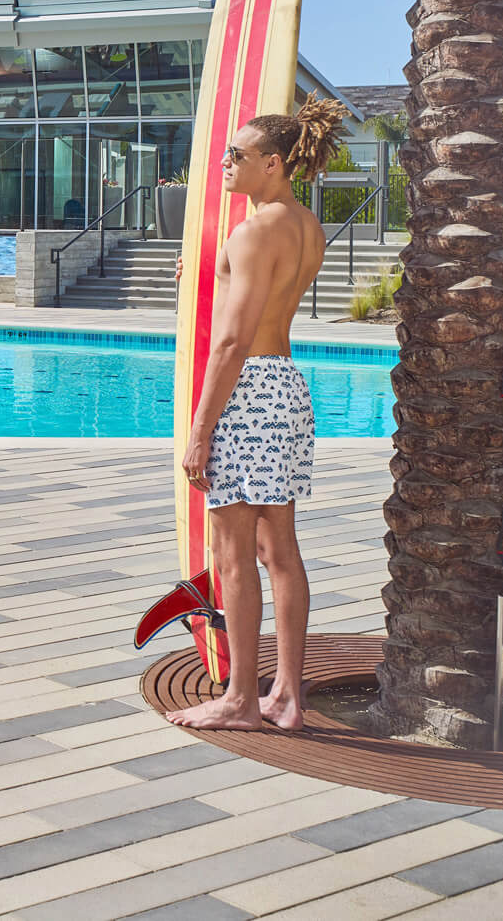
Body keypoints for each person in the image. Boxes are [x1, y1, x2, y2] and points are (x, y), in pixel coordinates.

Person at [165, 94, 345, 733]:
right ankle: (287, 696)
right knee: (280, 549)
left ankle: (241, 699)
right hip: (288, 390)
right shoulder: (306, 227)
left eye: (235, 157)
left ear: (272, 162)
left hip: (249, 390)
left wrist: (200, 431)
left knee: (234, 554)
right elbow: (265, 307)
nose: (224, 165)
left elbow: (234, 340)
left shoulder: (253, 229)